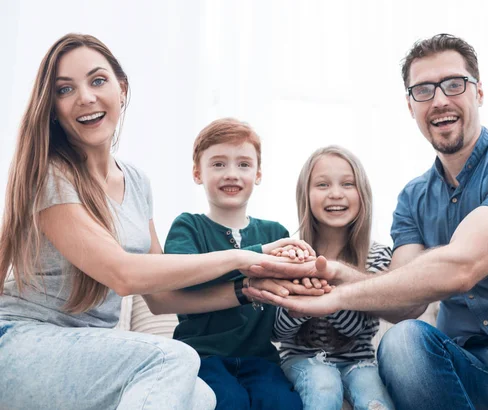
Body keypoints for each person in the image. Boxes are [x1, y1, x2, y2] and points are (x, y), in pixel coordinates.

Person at [245, 33, 488, 410]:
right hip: (466, 368)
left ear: (479, 93)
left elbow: (463, 266)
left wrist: (336, 297)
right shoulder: (414, 197)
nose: (440, 100)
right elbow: (402, 302)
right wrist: (335, 272)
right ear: (411, 106)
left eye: (454, 84)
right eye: (424, 90)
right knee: (401, 341)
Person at [0, 34, 302, 410]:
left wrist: (247, 291)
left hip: (90, 349)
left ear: (121, 89)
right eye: (65, 89)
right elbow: (123, 274)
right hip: (21, 341)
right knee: (173, 357)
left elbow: (161, 300)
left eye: (97, 81)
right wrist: (248, 257)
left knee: (203, 397)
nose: (86, 97)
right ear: (52, 108)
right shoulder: (50, 175)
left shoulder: (137, 183)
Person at [143, 118, 315, 410]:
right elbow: (187, 275)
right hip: (202, 357)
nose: (232, 174)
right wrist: (260, 254)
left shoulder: (276, 233)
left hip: (261, 359)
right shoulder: (187, 226)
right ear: (198, 173)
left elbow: (288, 296)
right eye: (218, 164)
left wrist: (301, 266)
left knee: (281, 403)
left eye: (244, 165)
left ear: (258, 174)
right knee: (226, 402)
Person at [271, 146, 395, 410]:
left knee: (376, 402)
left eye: (347, 184)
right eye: (323, 184)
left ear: (363, 194)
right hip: (300, 359)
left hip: (359, 362)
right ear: (306, 194)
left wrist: (322, 295)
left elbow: (356, 329)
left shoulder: (378, 256)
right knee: (323, 382)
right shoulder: (290, 253)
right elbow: (278, 331)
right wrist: (301, 305)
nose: (335, 193)